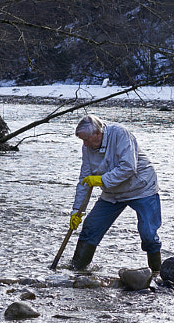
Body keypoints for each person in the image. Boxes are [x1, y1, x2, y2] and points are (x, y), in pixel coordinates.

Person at [68, 115, 162, 274]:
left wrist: (101, 179)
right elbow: (84, 180)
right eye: (82, 140)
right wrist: (77, 210)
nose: (84, 144)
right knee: (91, 226)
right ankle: (77, 272)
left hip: (141, 187)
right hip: (113, 193)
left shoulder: (120, 134)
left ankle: (156, 273)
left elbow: (128, 167)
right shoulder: (88, 147)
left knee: (148, 233)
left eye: (86, 139)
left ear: (97, 134)